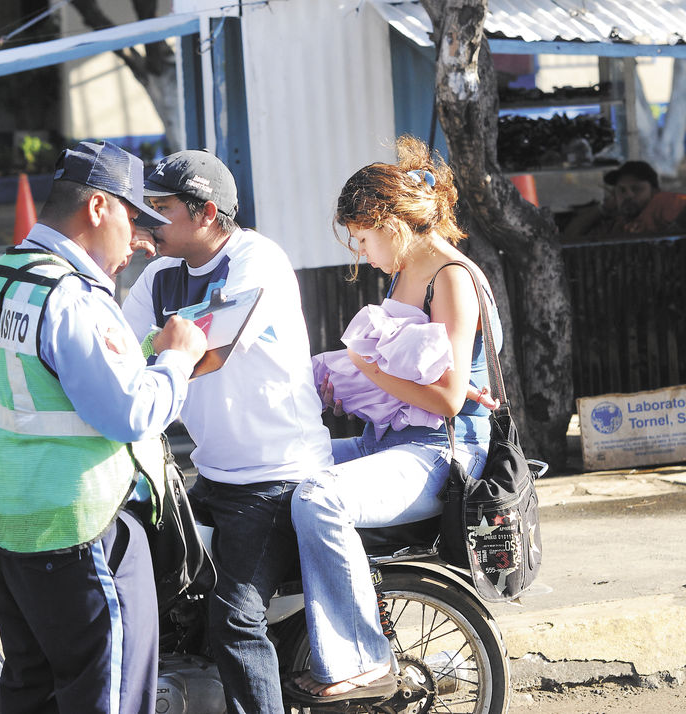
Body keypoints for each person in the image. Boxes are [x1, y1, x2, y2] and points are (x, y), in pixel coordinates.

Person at [0, 140, 207, 714]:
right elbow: (131, 412)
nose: (138, 241)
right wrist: (177, 358)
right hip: (84, 530)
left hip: (7, 529)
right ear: (99, 208)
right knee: (108, 699)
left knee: (31, 695)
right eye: (132, 219)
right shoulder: (70, 296)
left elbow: (3, 389)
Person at [285, 135, 502, 705]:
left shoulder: (450, 277)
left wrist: (362, 367)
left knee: (317, 497)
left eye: (362, 237)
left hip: (439, 451)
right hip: (392, 441)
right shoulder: (408, 272)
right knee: (277, 469)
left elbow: (449, 398)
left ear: (391, 223)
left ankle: (361, 659)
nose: (362, 252)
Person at [121, 150, 333, 714]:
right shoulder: (160, 275)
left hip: (276, 476)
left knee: (234, 619)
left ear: (207, 212)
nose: (145, 223)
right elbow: (117, 350)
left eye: (160, 210)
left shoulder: (256, 260)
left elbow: (209, 350)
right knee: (163, 594)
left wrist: (158, 353)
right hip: (213, 472)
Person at [563, 160, 686, 239]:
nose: (628, 195)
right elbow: (570, 237)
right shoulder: (615, 222)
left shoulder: (663, 203)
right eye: (622, 190)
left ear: (654, 191)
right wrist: (603, 208)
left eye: (636, 189)